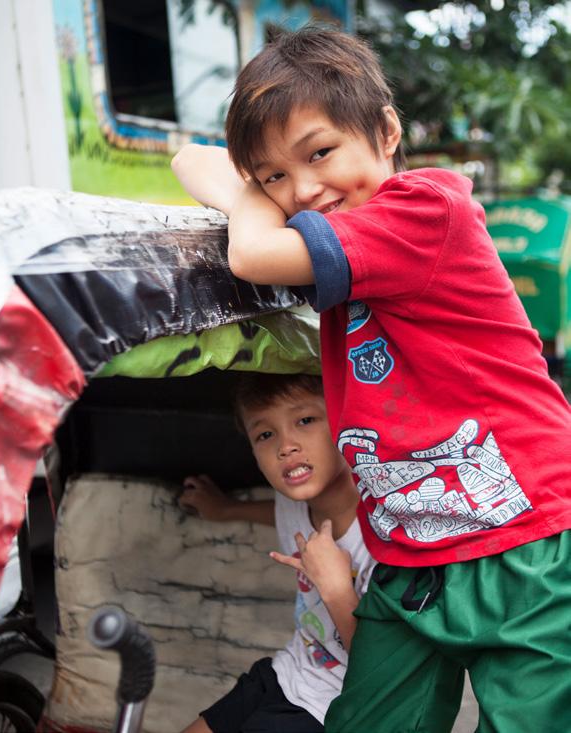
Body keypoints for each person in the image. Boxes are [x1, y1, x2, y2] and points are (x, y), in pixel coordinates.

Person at [172, 26, 571, 732]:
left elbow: (254, 254)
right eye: (271, 175)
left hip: (522, 538)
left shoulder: (423, 209)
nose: (302, 190)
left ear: (386, 132)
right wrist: (255, 186)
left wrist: (252, 202)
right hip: (411, 548)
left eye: (320, 153)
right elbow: (187, 158)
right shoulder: (343, 234)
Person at [178, 372, 375, 733]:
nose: (286, 446)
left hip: (343, 706)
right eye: (265, 434)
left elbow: (381, 672)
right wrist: (224, 510)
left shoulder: (381, 534)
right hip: (290, 671)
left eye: (305, 420)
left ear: (347, 420)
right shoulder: (294, 506)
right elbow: (281, 514)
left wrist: (335, 589)